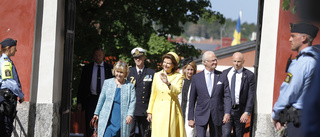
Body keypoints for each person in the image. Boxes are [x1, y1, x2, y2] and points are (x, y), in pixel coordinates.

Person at [272, 22, 319, 137]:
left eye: (293, 36)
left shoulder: (303, 62)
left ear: (303, 38)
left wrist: (276, 114)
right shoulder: (315, 60)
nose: (289, 39)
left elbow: (289, 91)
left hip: (299, 123)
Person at [188, 51, 231, 137]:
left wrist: (227, 113)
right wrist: (190, 118)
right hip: (201, 114)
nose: (215, 62)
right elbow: (192, 99)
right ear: (205, 62)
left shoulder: (222, 75)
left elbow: (227, 96)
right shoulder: (196, 78)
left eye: (216, 60)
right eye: (212, 60)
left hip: (217, 114)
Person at [146, 52, 186, 137]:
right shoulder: (157, 75)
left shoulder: (179, 76)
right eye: (164, 62)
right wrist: (149, 111)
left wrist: (168, 83)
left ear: (173, 65)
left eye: (168, 63)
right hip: (158, 110)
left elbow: (177, 91)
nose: (165, 65)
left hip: (172, 110)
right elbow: (153, 94)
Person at [93, 60, 136, 137]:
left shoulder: (130, 86)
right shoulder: (107, 83)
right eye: (117, 71)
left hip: (122, 116)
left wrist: (130, 115)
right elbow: (101, 99)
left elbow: (132, 102)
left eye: (121, 72)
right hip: (107, 116)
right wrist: (96, 113)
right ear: (114, 71)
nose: (119, 74)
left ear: (125, 73)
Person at [77, 47, 113, 137]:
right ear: (93, 56)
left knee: (104, 121)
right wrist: (79, 101)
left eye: (99, 55)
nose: (97, 57)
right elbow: (82, 85)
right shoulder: (87, 68)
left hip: (105, 100)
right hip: (91, 99)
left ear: (103, 56)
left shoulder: (110, 68)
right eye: (96, 55)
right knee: (90, 122)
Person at [221, 52, 256, 137]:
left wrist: (247, 112)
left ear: (243, 61)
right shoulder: (225, 73)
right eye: (234, 61)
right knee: (225, 134)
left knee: (239, 135)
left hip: (240, 111)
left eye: (239, 61)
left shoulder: (249, 75)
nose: (236, 64)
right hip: (227, 110)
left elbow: (251, 95)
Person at [128, 47, 155, 137]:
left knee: (145, 134)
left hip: (145, 109)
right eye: (136, 58)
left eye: (140, 57)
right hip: (131, 109)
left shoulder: (151, 73)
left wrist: (150, 111)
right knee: (129, 133)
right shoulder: (129, 72)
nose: (138, 59)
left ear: (144, 57)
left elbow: (153, 92)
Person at [0, 38, 25, 136]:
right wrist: (21, 95)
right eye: (15, 48)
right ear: (9, 48)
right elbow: (9, 82)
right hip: (6, 101)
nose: (16, 50)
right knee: (6, 129)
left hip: (5, 101)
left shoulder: (5, 61)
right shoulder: (5, 62)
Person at [178, 61, 197, 137]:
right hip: (180, 110)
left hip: (191, 113)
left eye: (191, 70)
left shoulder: (195, 82)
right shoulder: (180, 81)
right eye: (188, 69)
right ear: (184, 69)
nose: (189, 72)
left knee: (189, 133)